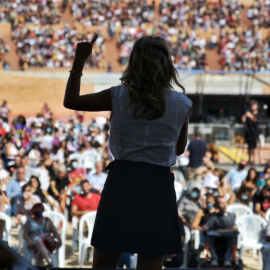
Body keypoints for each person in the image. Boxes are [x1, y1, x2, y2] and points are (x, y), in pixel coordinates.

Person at [63, 35, 192, 269]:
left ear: (135, 63)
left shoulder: (118, 95)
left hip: (122, 182)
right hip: (158, 186)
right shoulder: (182, 103)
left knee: (104, 264)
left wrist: (79, 61)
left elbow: (71, 101)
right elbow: (180, 148)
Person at [202, 196, 237, 267]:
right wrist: (205, 228)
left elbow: (234, 228)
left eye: (225, 203)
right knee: (209, 238)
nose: (224, 206)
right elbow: (206, 226)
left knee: (233, 238)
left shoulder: (230, 216)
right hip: (216, 240)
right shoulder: (214, 217)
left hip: (227, 238)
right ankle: (214, 259)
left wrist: (223, 231)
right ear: (218, 206)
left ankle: (228, 260)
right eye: (221, 204)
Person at [241, 100, 261, 164]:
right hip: (248, 131)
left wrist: (250, 115)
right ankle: (250, 159)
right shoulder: (248, 113)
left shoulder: (258, 114)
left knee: (253, 146)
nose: (252, 107)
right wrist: (245, 115)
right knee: (249, 146)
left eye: (253, 105)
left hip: (254, 131)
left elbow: (255, 120)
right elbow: (243, 120)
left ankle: (253, 159)